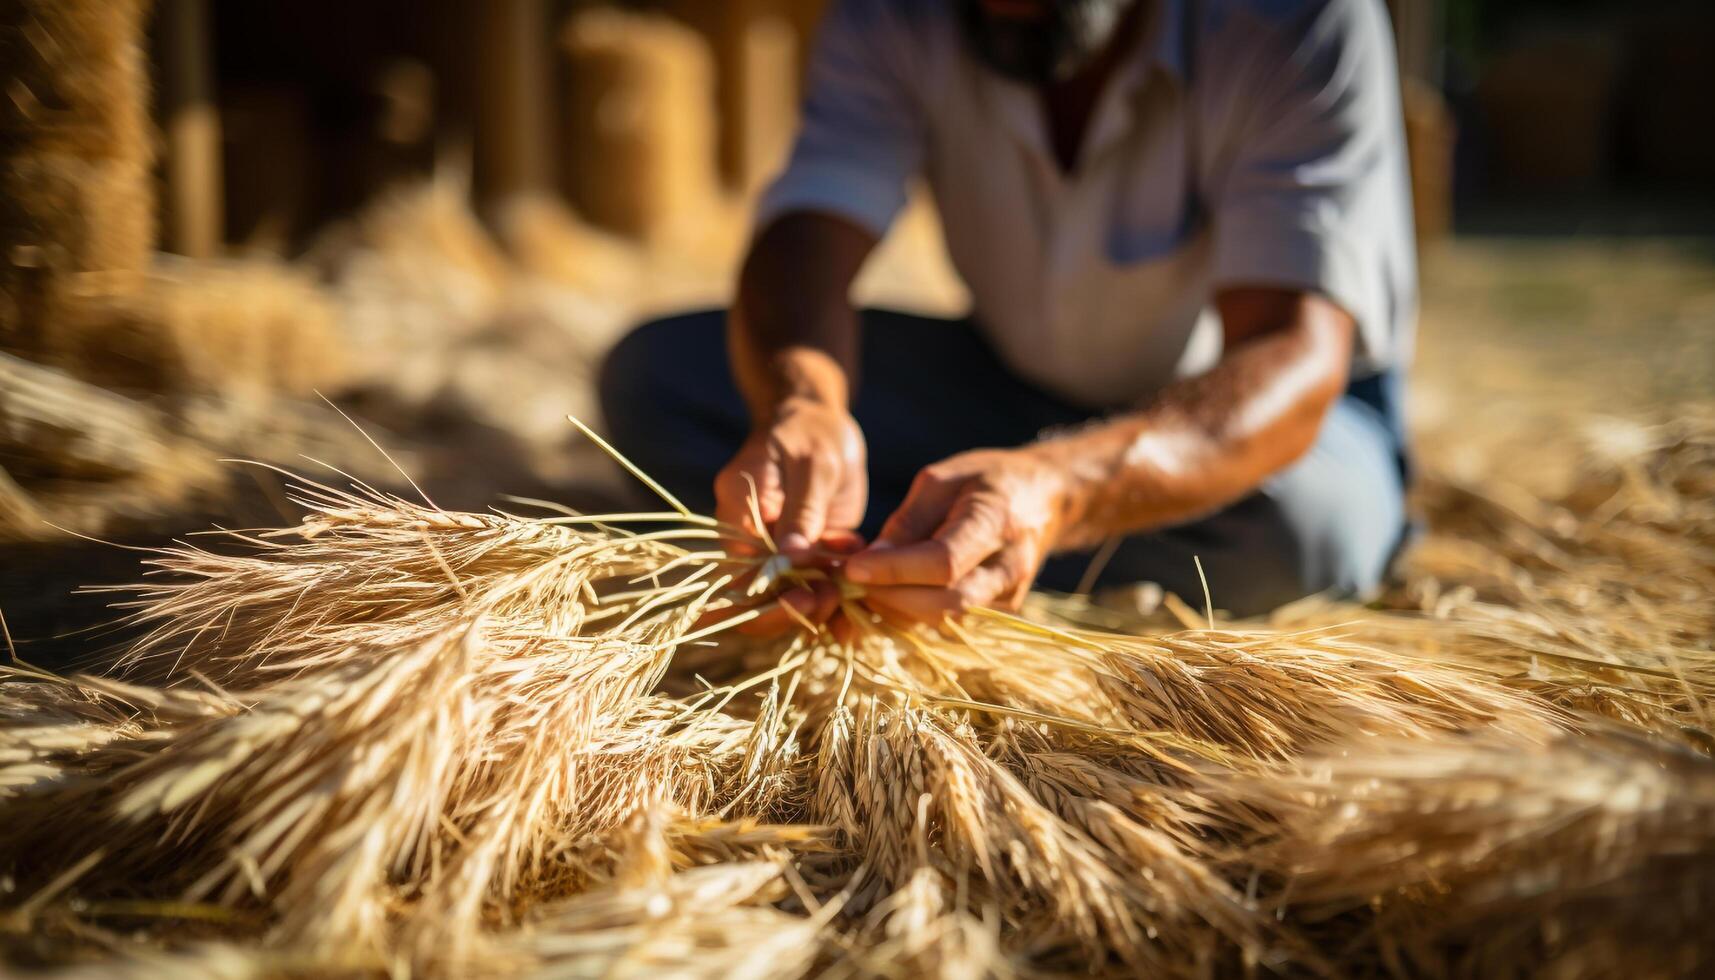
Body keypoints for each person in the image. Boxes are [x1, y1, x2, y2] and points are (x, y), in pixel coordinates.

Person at [600, 0, 1417, 630]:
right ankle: (933, 555)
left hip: (1255, 431)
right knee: (658, 379)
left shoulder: (1295, 21)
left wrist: (1058, 489)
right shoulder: (897, 13)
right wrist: (802, 402)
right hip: (1003, 388)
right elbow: (810, 227)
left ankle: (949, 550)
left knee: (1310, 535)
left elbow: (1290, 349)